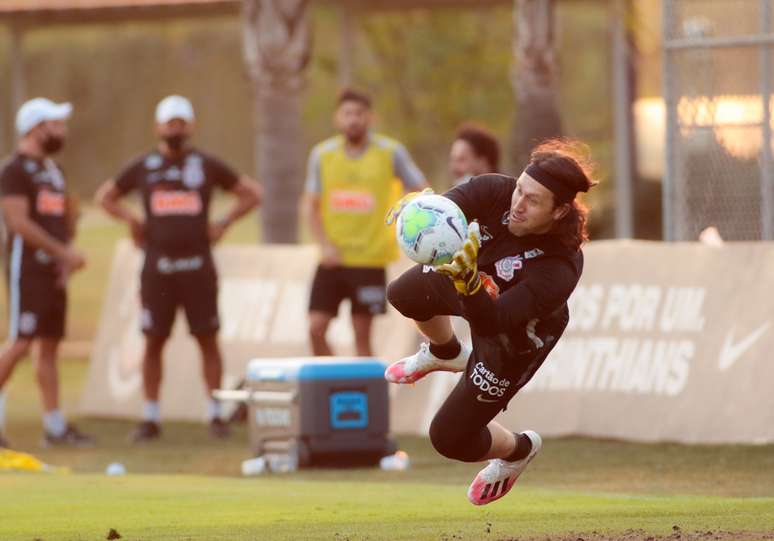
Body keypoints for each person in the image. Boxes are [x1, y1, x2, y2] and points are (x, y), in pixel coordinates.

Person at [385, 139, 598, 505]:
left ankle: (519, 450)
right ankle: (445, 351)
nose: (518, 204)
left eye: (533, 201)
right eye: (520, 190)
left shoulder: (559, 267)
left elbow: (492, 323)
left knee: (448, 438)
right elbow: (446, 210)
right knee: (404, 293)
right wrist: (420, 210)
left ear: (560, 210)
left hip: (515, 336)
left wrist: (469, 284)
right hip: (471, 284)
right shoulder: (493, 190)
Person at [96, 95, 262, 442]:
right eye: (170, 123)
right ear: (158, 126)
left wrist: (224, 221)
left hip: (198, 265)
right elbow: (105, 197)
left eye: (181, 123)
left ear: (191, 126)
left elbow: (251, 194)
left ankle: (215, 413)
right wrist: (131, 219)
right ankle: (150, 416)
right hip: (157, 267)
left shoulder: (205, 164)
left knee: (207, 338)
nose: (176, 129)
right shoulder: (144, 166)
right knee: (153, 340)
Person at [303, 88, 429, 357]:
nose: (353, 119)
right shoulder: (322, 155)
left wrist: (406, 217)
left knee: (362, 338)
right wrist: (324, 245)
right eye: (347, 113)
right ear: (337, 118)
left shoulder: (390, 152)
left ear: (370, 118)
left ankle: (363, 384)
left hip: (369, 261)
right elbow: (310, 207)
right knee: (315, 328)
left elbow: (422, 191)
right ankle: (331, 378)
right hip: (332, 259)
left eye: (359, 113)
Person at [0, 98, 92, 448]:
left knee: (49, 346)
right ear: (36, 129)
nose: (62, 131)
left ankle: (55, 428)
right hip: (27, 269)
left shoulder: (55, 172)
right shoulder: (14, 170)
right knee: (21, 343)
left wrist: (67, 253)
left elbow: (62, 222)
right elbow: (18, 223)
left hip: (53, 272)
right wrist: (62, 253)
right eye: (55, 125)